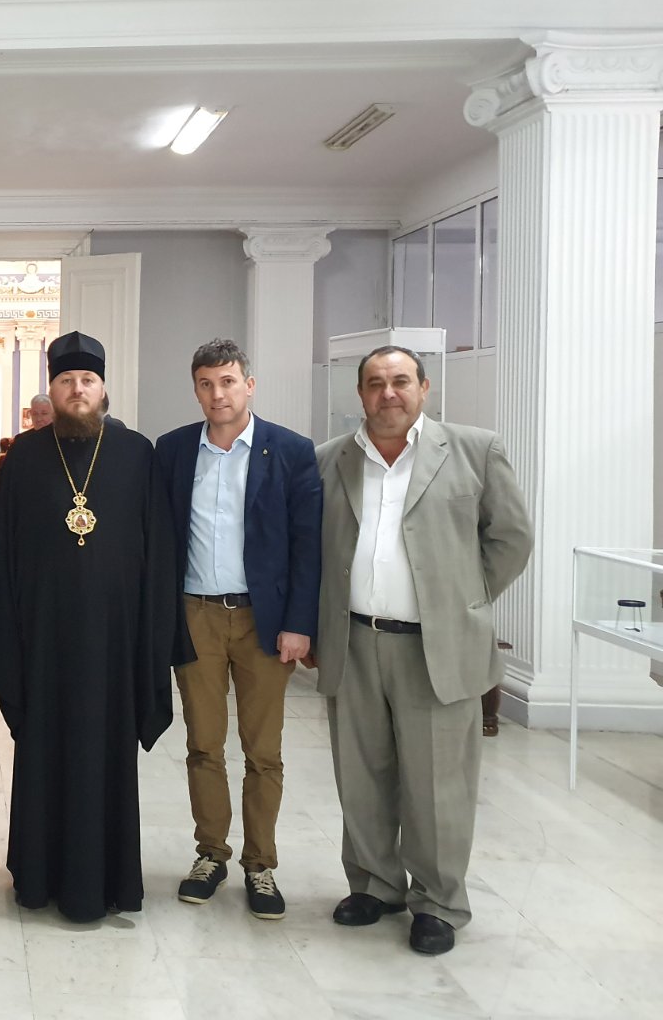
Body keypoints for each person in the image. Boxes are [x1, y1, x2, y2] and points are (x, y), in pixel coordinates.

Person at [316, 346, 531, 956]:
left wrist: (464, 599)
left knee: (438, 785)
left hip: (435, 647)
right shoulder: (330, 459)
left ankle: (437, 902)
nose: (388, 393)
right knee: (361, 775)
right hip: (355, 641)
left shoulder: (474, 450)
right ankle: (374, 885)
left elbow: (511, 538)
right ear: (360, 393)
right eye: (375, 383)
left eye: (401, 381)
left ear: (424, 388)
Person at [0, 330, 189, 922]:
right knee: (42, 752)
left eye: (88, 380)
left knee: (106, 758)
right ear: (51, 389)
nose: (77, 390)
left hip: (113, 642)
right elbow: (2, 554)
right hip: (42, 640)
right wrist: (6, 632)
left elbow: (160, 552)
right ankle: (38, 877)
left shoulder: (137, 454)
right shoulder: (24, 458)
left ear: (103, 389)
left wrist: (154, 637)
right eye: (66, 381)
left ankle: (106, 881)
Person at [154, 339, 321, 920]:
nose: (217, 393)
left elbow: (308, 546)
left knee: (262, 750)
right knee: (203, 744)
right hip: (195, 614)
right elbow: (160, 538)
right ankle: (211, 854)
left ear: (249, 385)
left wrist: (299, 624)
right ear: (196, 389)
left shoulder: (291, 451)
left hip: (263, 621)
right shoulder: (174, 450)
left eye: (227, 381)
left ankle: (260, 863)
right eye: (206, 383)